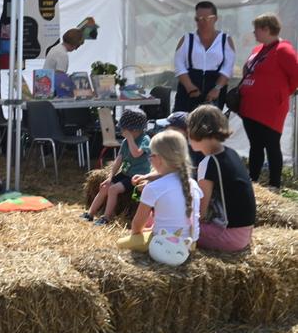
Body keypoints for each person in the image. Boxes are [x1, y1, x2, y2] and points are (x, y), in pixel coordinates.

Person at [238, 13, 298, 189]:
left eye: (256, 28)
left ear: (266, 29)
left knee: (272, 145)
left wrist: (283, 92)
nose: (253, 32)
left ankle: (274, 184)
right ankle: (253, 182)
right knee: (255, 146)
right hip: (250, 107)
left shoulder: (283, 49)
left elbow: (295, 75)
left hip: (270, 108)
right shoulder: (258, 50)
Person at [117, 130, 202, 251]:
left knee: (120, 243)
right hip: (189, 245)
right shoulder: (193, 184)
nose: (149, 159)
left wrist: (138, 234)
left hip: (163, 244)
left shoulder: (153, 187)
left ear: (160, 159)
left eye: (151, 156)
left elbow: (137, 225)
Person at [188, 105, 256, 251]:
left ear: (197, 130)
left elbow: (200, 213)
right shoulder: (231, 153)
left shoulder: (209, 163)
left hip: (228, 236)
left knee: (172, 227)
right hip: (246, 233)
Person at [82, 108, 151, 225]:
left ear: (134, 129)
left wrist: (129, 138)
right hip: (125, 173)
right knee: (105, 187)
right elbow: (118, 161)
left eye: (124, 128)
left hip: (137, 177)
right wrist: (110, 177)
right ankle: (90, 214)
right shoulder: (125, 141)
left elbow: (136, 153)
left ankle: (106, 218)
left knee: (113, 190)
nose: (122, 131)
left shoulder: (145, 139)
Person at [173, 1, 235, 112]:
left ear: (215, 19)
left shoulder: (225, 40)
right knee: (182, 124)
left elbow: (228, 67)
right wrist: (189, 87)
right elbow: (179, 64)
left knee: (211, 125)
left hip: (214, 89)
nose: (202, 22)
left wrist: (217, 88)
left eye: (206, 19)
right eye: (198, 19)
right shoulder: (187, 38)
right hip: (189, 88)